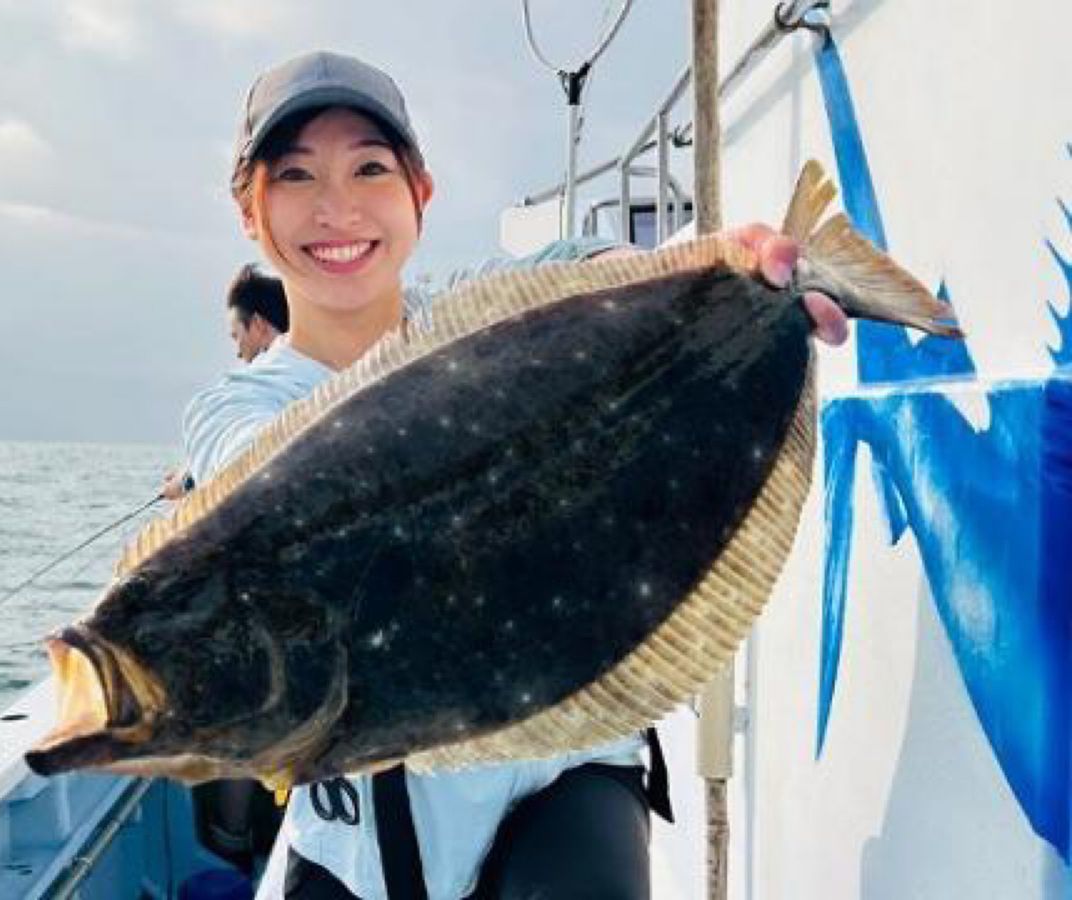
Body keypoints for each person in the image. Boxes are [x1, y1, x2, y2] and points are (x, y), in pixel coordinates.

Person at [181, 51, 848, 900]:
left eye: (370, 168)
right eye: (296, 175)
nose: (336, 206)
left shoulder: (492, 313)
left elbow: (598, 266)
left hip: (562, 764)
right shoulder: (238, 408)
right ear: (250, 210)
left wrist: (732, 271)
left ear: (421, 192)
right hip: (359, 836)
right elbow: (259, 476)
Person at [161, 265, 293, 501]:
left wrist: (189, 481)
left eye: (236, 337)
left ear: (258, 325)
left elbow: (256, 458)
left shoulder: (248, 393)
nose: (238, 353)